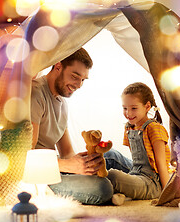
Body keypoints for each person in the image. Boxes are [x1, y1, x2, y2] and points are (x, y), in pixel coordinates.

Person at [30, 48, 113, 205]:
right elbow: (27, 156)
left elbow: (66, 151)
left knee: (111, 157)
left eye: (83, 80)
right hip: (42, 175)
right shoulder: (36, 94)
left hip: (59, 168)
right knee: (103, 188)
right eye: (75, 77)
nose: (79, 85)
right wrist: (68, 165)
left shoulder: (62, 103)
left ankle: (150, 178)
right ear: (58, 66)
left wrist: (82, 164)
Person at [104, 82, 171, 205]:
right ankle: (122, 193)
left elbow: (161, 164)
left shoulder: (154, 128)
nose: (128, 113)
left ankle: (118, 192)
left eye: (134, 108)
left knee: (113, 175)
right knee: (107, 156)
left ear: (147, 106)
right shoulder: (129, 128)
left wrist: (167, 194)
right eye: (125, 108)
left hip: (152, 182)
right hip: (136, 173)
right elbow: (136, 161)